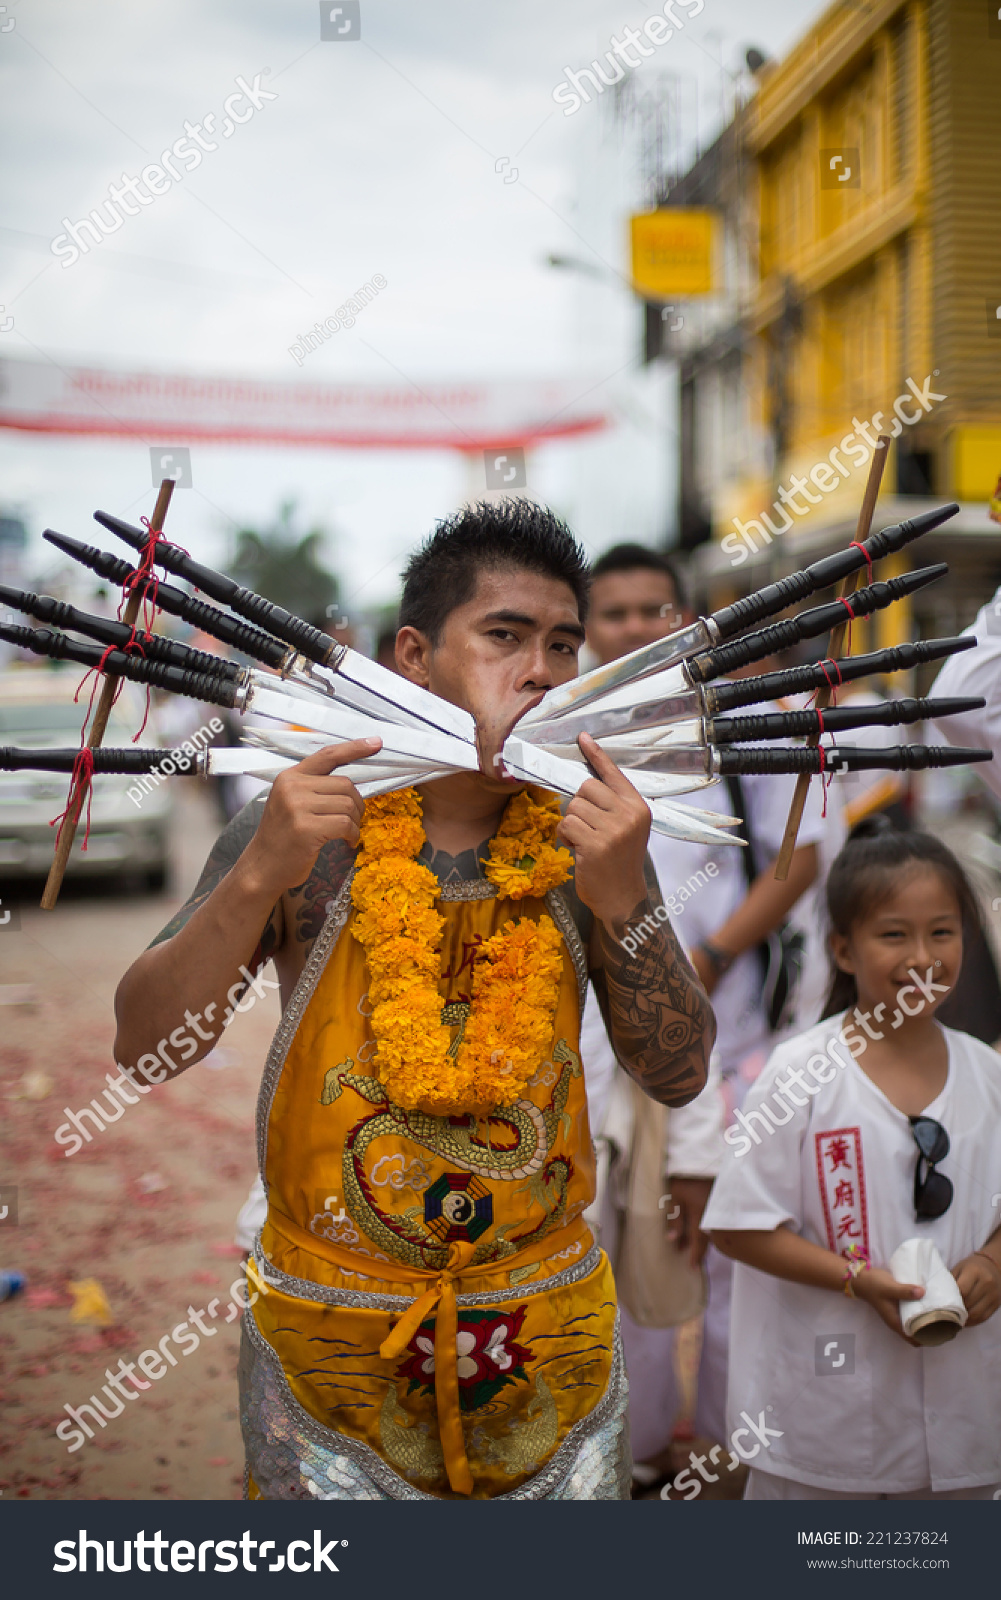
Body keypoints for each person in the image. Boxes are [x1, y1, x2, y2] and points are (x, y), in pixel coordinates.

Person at [113, 500, 715, 1501]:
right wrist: (259, 871)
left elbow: (679, 1072)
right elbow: (145, 1051)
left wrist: (629, 900)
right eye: (504, 636)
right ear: (414, 654)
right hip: (330, 1348)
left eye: (562, 644)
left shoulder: (589, 840)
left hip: (543, 1331)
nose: (542, 670)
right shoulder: (305, 828)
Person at [581, 543, 824, 1468]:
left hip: (737, 1044)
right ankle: (634, 1455)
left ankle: (729, 1460)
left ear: (685, 622)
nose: (639, 628)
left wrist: (712, 955)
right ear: (590, 632)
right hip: (612, 1051)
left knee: (735, 1255)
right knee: (625, 1247)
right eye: (616, 614)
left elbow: (801, 854)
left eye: (656, 611)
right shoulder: (567, 740)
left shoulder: (748, 724)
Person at [704, 817, 1001, 1498]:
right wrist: (854, 1278)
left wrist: (988, 1262)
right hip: (825, 1419)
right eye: (892, 934)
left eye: (942, 932)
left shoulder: (984, 1073)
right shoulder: (799, 1073)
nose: (921, 957)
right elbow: (738, 1224)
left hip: (965, 1420)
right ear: (842, 949)